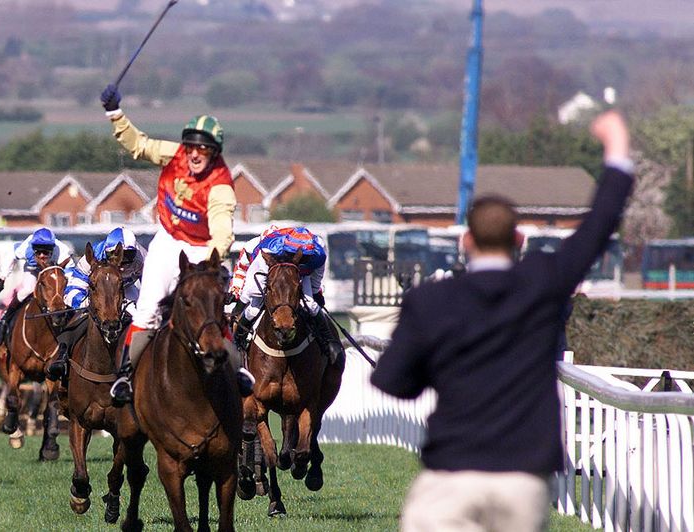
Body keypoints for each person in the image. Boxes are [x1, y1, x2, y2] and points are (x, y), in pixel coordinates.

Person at [370, 111, 634, 532]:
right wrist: (617, 150)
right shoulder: (545, 282)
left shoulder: (430, 299)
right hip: (523, 478)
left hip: (451, 474)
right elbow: (598, 227)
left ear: (465, 241)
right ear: (519, 240)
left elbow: (393, 383)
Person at [98, 83, 254, 404]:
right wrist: (115, 114)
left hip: (202, 248)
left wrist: (212, 260)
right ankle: (126, 377)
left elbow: (223, 230)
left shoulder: (221, 186)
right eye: (192, 147)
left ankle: (237, 370)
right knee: (147, 310)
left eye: (204, 149)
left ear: (214, 153)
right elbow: (138, 146)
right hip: (168, 242)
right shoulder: (175, 154)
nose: (196, 154)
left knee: (214, 311)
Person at [228, 224, 344, 365]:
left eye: (305, 258)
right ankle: (237, 342)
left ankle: (328, 342)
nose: (302, 260)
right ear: (288, 250)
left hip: (297, 272)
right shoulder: (268, 251)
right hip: (269, 268)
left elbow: (316, 280)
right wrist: (239, 302)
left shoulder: (319, 253)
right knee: (253, 308)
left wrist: (317, 294)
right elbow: (252, 289)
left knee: (311, 305)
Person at [45, 226, 147, 382]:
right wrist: (88, 302)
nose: (123, 262)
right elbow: (71, 290)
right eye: (118, 255)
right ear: (106, 252)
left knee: (145, 319)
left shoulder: (143, 257)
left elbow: (150, 287)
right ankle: (62, 357)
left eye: (129, 255)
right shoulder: (91, 259)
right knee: (77, 320)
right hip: (96, 292)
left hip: (125, 289)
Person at [0, 227, 69, 346]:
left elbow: (70, 273)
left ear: (52, 250)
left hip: (53, 272)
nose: (42, 256)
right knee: (27, 290)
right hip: (33, 270)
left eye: (46, 252)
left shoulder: (63, 251)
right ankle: (5, 318)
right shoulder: (25, 248)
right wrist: (2, 279)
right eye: (38, 252)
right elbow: (11, 257)